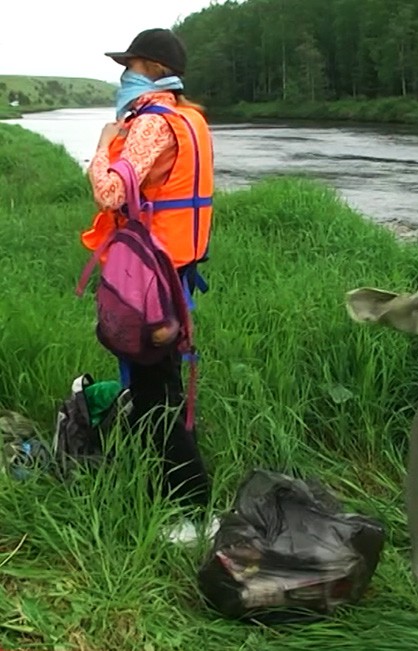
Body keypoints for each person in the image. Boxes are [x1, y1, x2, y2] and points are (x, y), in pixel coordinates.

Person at [81, 28, 215, 542]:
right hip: (174, 269)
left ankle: (191, 508)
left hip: (146, 276)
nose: (124, 75)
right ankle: (151, 483)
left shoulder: (150, 124)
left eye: (131, 65)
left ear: (154, 68)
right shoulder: (191, 119)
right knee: (150, 380)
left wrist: (102, 146)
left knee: (157, 388)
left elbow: (111, 193)